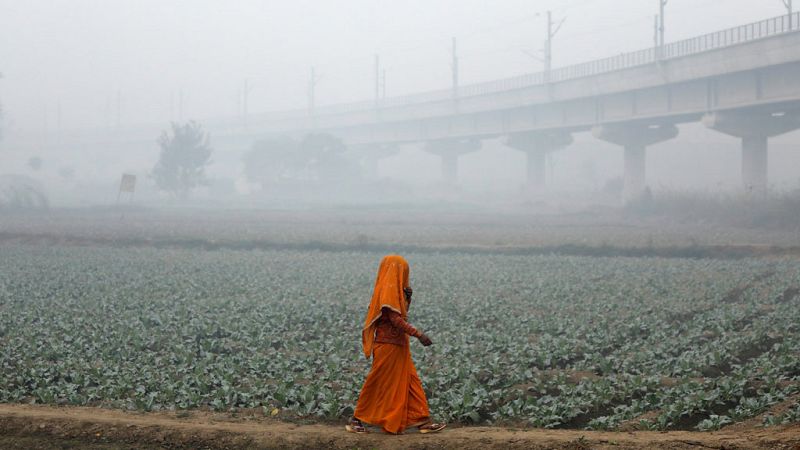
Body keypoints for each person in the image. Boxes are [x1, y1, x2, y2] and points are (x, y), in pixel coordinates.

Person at [346, 255, 446, 435]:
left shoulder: (395, 292)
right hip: (387, 346)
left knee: (411, 382)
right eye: (404, 272)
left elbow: (401, 312)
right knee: (377, 382)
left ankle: (422, 421)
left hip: (399, 346)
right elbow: (395, 319)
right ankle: (356, 419)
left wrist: (408, 299)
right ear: (397, 272)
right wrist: (419, 334)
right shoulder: (387, 291)